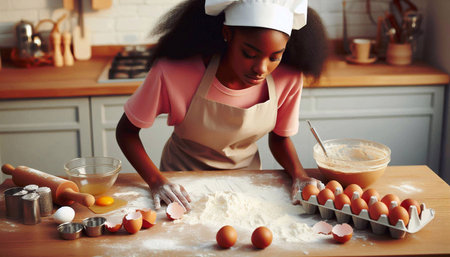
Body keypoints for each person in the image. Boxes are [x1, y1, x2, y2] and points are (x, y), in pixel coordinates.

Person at [116, 0, 329, 212]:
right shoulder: (173, 72)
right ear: (227, 33)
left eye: (275, 57)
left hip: (247, 185)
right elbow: (126, 131)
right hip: (181, 187)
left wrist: (299, 175)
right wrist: (156, 181)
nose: (261, 68)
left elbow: (280, 137)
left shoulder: (288, 77)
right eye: (249, 54)